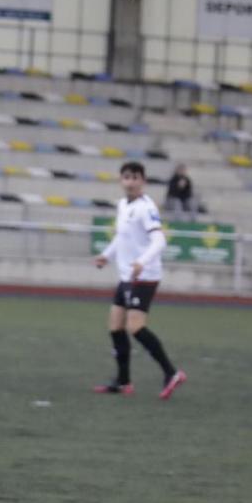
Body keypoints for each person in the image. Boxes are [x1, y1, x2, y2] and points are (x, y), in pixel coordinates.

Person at [92, 160, 185, 400]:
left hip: (144, 276)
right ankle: (123, 382)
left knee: (135, 327)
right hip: (127, 276)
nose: (130, 182)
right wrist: (106, 255)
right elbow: (121, 238)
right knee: (115, 326)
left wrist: (142, 262)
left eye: (135, 177)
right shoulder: (123, 204)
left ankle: (171, 373)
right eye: (126, 177)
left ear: (143, 181)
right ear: (121, 180)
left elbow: (160, 241)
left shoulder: (146, 208)